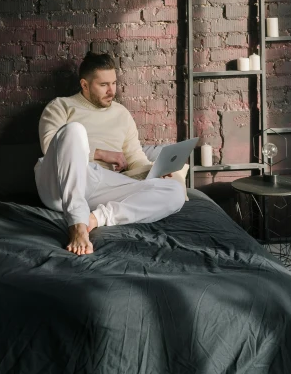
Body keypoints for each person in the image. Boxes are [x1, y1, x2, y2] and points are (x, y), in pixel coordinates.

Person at [35, 51, 186, 256]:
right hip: (59, 184)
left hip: (100, 183)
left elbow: (135, 158)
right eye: (104, 85)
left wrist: (153, 172)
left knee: (174, 191)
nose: (111, 91)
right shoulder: (61, 106)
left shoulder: (122, 114)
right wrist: (100, 154)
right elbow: (50, 147)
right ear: (85, 85)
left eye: (114, 83)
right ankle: (77, 224)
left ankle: (95, 219)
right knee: (74, 130)